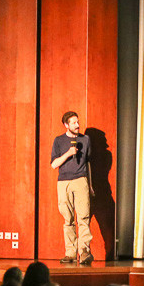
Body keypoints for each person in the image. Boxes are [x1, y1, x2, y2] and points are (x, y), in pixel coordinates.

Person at [50, 110, 93, 265]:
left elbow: (88, 163)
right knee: (68, 219)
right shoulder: (59, 141)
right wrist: (68, 153)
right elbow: (54, 164)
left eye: (78, 122)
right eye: (74, 123)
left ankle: (84, 252)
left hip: (81, 180)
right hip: (64, 182)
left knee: (83, 217)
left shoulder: (86, 139)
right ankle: (70, 253)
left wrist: (90, 184)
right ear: (66, 125)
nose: (77, 125)